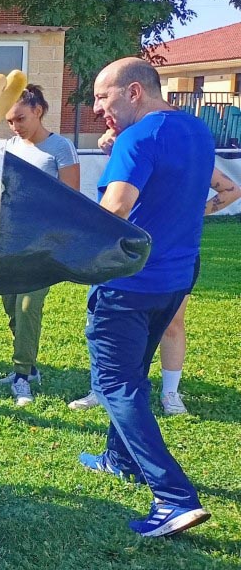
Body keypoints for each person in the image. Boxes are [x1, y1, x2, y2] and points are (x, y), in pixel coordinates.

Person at [77, 57, 213, 537]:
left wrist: (70, 253)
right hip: (174, 280)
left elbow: (115, 209)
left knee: (115, 382)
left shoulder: (138, 138)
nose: (96, 109)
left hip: (127, 285)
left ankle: (174, 498)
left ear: (134, 91)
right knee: (132, 374)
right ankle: (119, 459)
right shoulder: (196, 131)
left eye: (102, 96)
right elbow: (183, 191)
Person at [71, 158, 240, 415]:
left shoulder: (186, 159)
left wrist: (196, 212)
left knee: (172, 323)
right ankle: (102, 387)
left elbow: (230, 189)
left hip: (172, 255)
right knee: (107, 323)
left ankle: (170, 392)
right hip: (129, 253)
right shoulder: (135, 151)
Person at [0, 84, 80, 405]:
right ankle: (29, 368)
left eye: (20, 118)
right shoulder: (9, 147)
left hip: (42, 245)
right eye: (9, 121)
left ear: (38, 111)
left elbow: (71, 199)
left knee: (29, 306)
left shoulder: (61, 148)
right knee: (11, 306)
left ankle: (21, 376)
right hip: (11, 243)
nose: (15, 126)